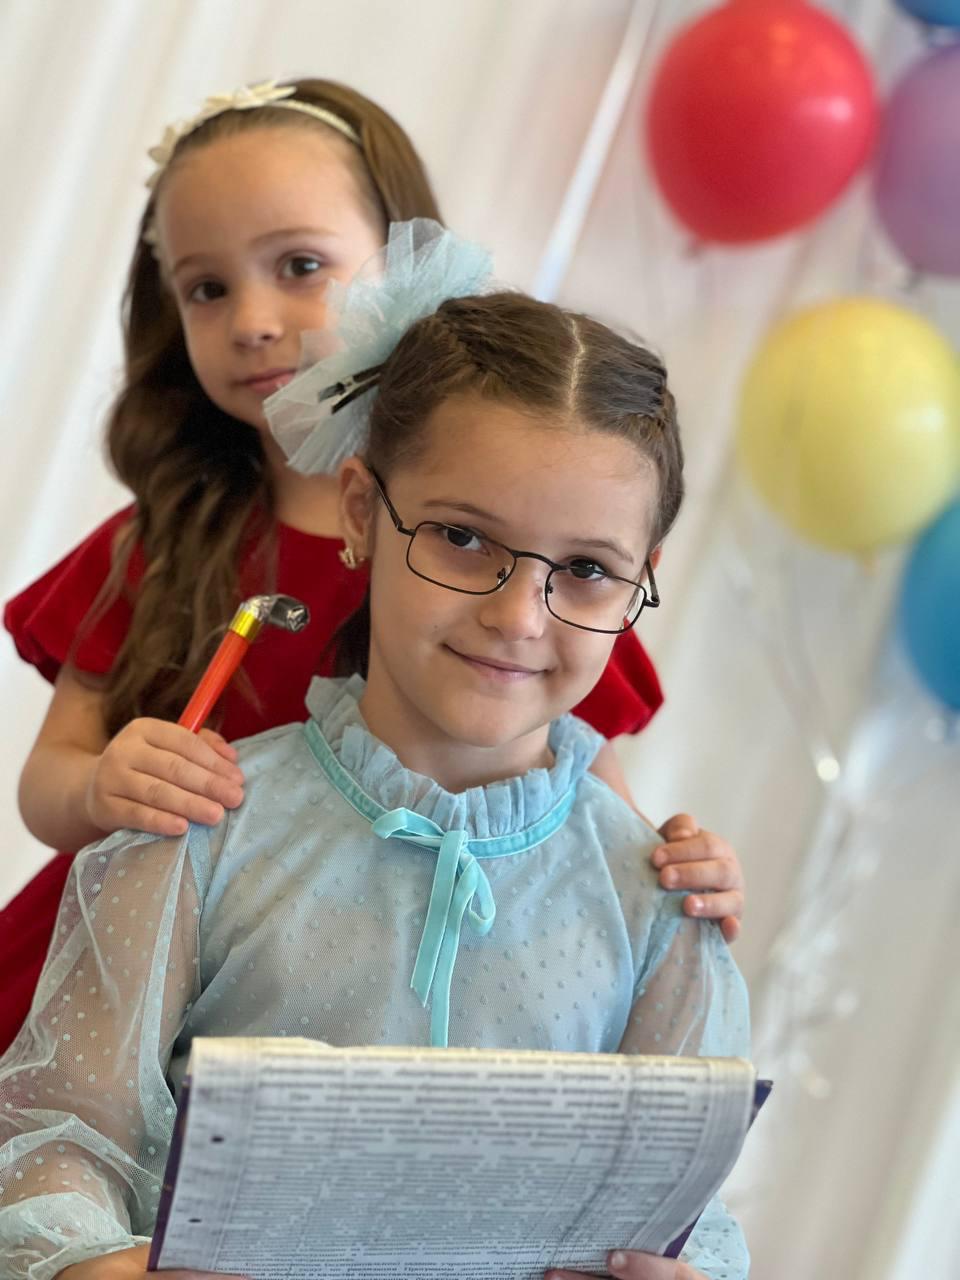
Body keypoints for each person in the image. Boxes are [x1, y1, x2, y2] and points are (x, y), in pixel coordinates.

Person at [0, 234, 751, 1280]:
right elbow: (56, 1137)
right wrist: (96, 1266)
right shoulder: (193, 838)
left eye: (586, 568)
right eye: (463, 537)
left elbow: (691, 1216)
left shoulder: (663, 909)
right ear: (362, 512)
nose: (518, 615)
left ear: (641, 578)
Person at [0, 79, 745, 1055]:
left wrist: (677, 870)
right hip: (117, 981)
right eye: (206, 288)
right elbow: (46, 781)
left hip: (335, 987)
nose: (252, 319)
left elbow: (581, 814)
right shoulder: (164, 537)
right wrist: (104, 784)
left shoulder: (499, 572)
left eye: (300, 265)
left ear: (403, 268)